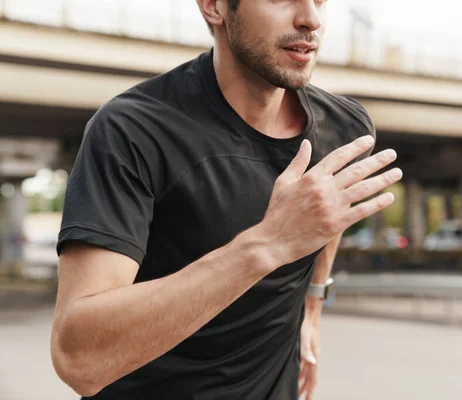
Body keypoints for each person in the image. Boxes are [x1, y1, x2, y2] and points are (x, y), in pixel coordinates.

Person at [50, 0, 403, 399]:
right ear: (214, 6)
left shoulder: (345, 128)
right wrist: (268, 244)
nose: (311, 19)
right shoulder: (132, 130)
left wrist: (313, 305)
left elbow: (325, 215)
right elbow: (78, 358)